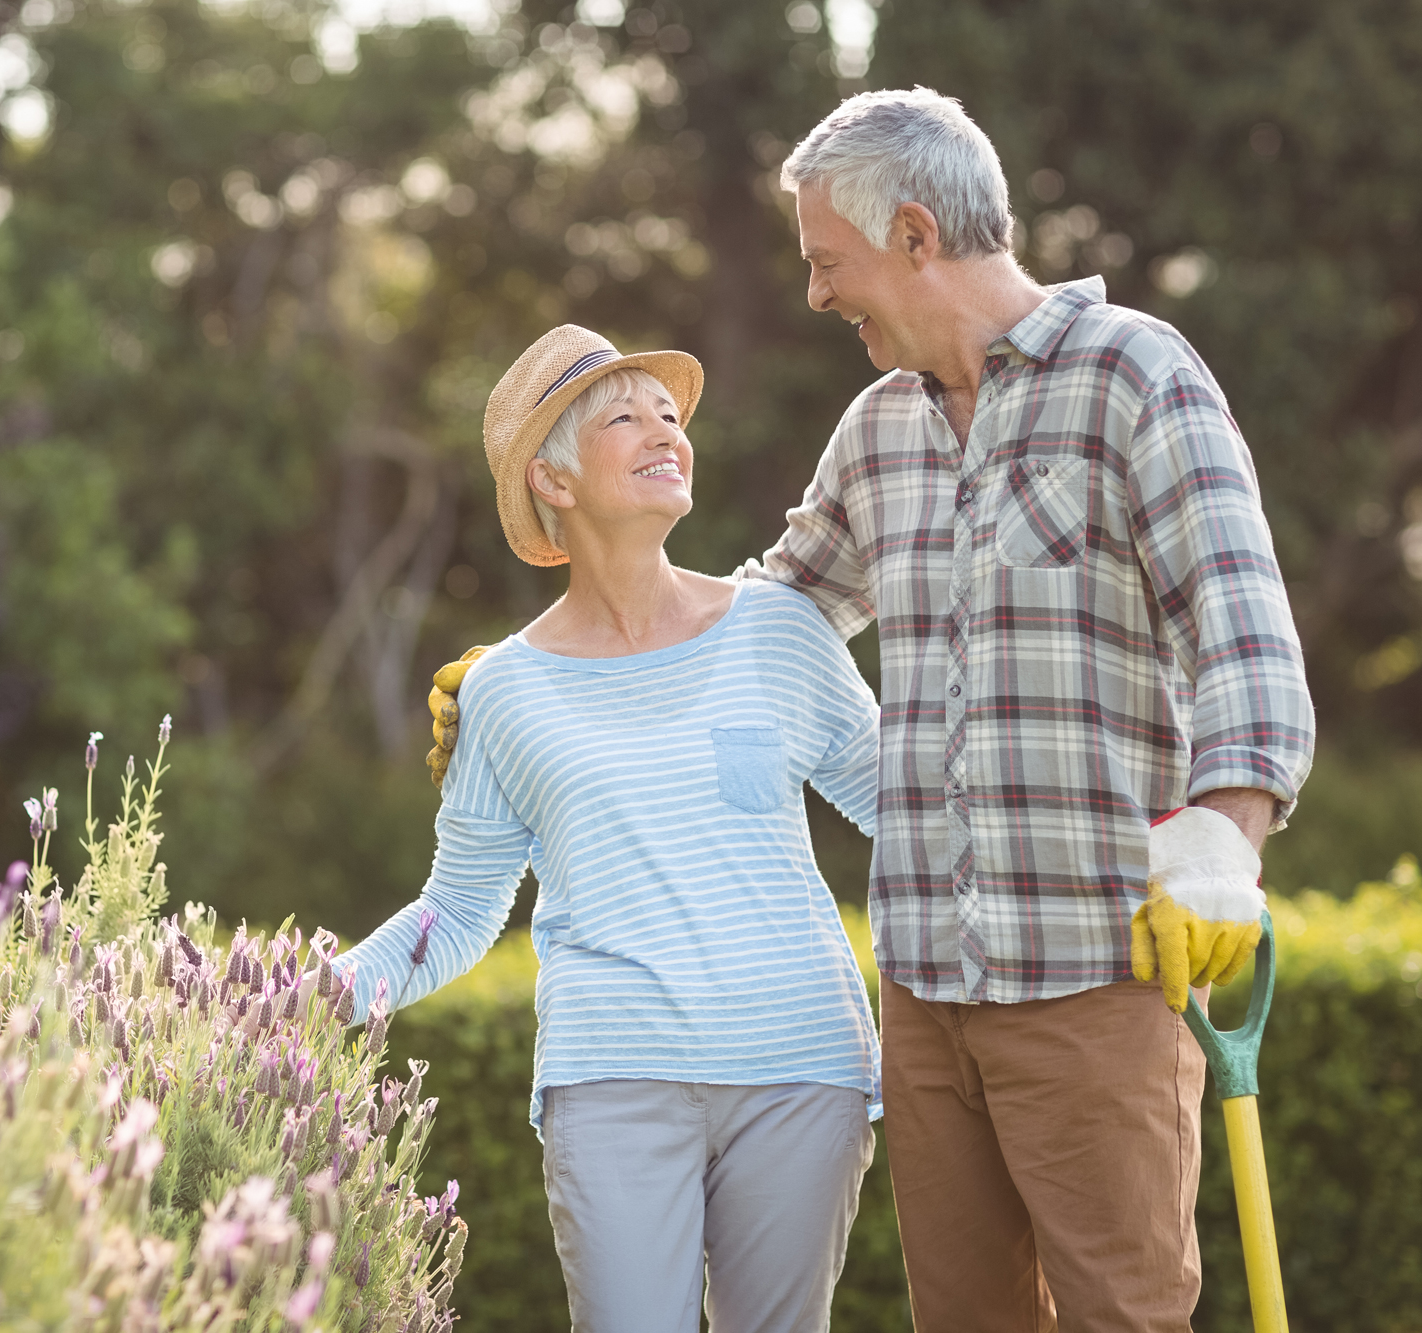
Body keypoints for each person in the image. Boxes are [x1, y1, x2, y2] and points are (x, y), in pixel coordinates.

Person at [429, 90, 1315, 1332]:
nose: (812, 294)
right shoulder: (878, 432)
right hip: (925, 993)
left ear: (911, 236)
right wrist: (535, 666)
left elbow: (1245, 639)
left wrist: (1223, 829)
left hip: (1085, 975)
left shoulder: (1133, 377)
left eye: (824, 261)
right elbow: (757, 614)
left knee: (1122, 1314)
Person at [336, 324, 885, 1333]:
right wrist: (317, 994)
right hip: (611, 1078)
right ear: (552, 479)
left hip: (799, 1067)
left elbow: (912, 811)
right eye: (623, 417)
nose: (663, 432)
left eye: (670, 416)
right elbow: (458, 909)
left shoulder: (779, 627)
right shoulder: (500, 691)